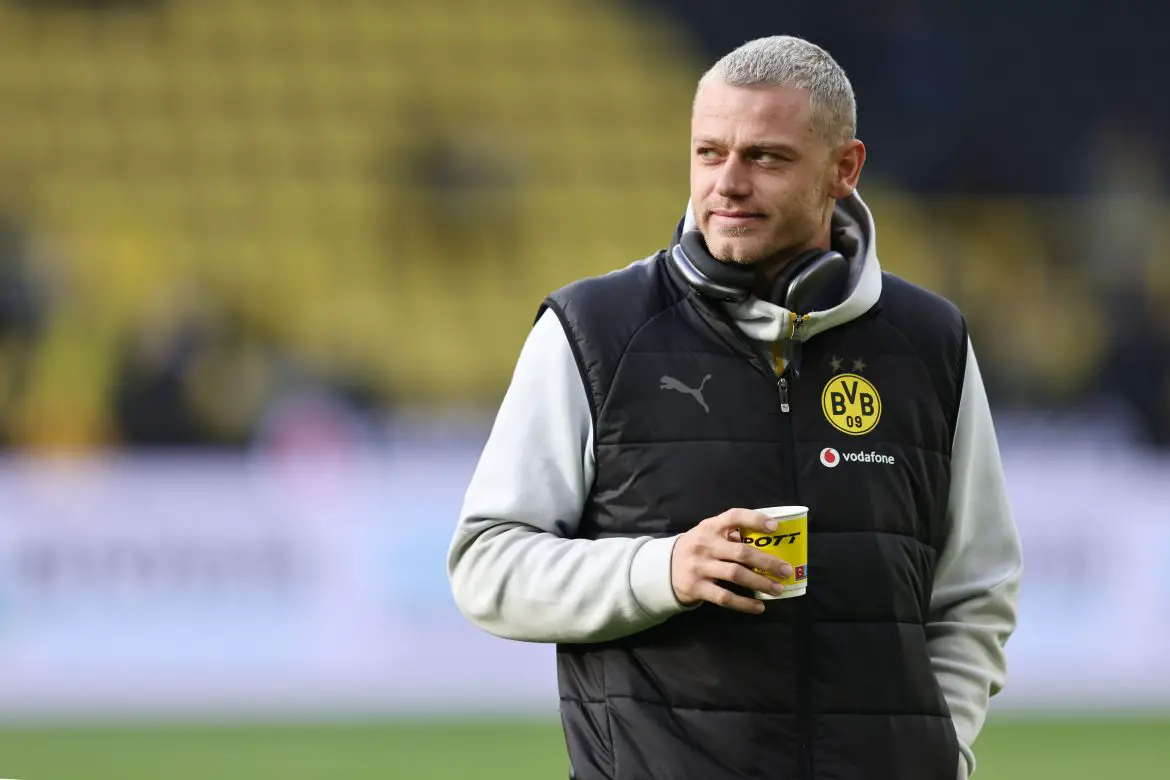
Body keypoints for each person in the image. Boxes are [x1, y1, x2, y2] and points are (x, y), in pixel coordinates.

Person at [448, 35, 1022, 780]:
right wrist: (664, 570)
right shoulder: (594, 331)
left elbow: (976, 587)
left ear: (844, 170)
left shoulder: (931, 340)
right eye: (709, 153)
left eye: (766, 157)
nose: (727, 183)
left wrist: (942, 753)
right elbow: (486, 565)